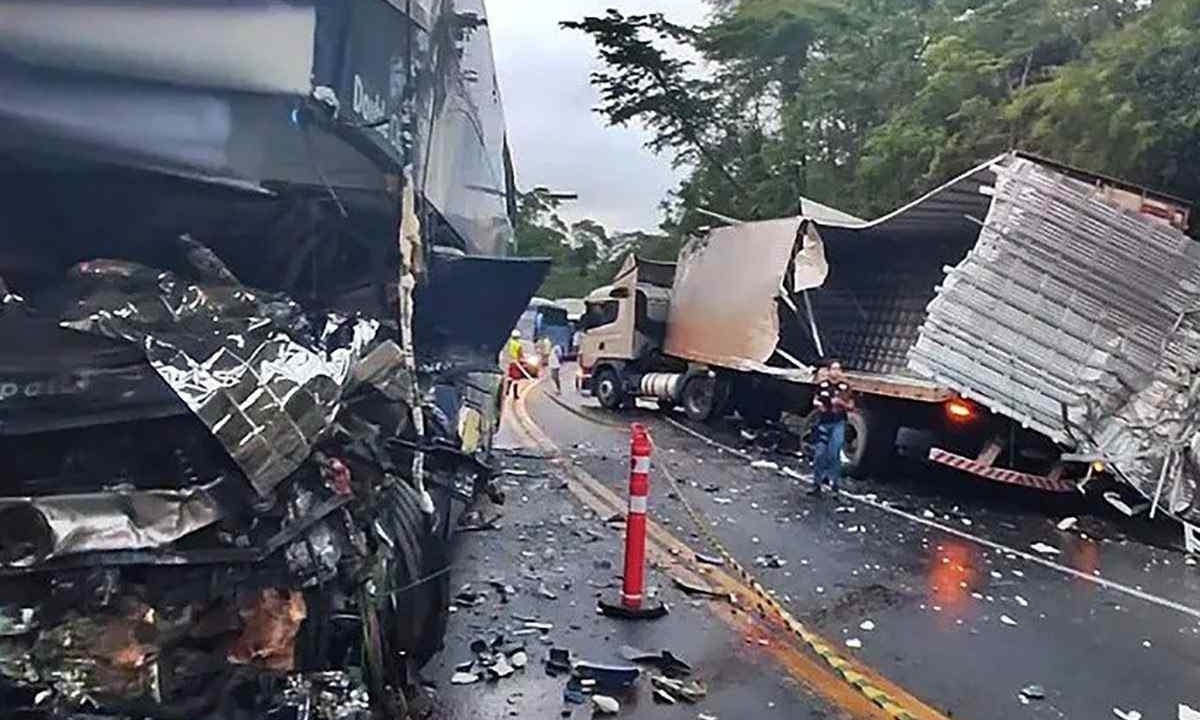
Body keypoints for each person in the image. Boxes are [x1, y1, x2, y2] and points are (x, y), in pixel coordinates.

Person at [809, 360, 854, 496]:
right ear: (828, 371)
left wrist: (840, 403)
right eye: (833, 369)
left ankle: (834, 484)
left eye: (838, 369)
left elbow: (852, 405)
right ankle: (816, 484)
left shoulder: (845, 387)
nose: (836, 372)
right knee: (819, 454)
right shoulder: (822, 386)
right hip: (822, 422)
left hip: (838, 423)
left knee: (834, 454)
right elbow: (815, 400)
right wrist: (819, 405)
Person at [505, 330, 525, 400]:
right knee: (516, 379)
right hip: (516, 362)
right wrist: (523, 360)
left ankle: (507, 391)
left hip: (510, 361)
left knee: (510, 377)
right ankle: (515, 394)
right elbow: (520, 354)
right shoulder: (518, 345)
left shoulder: (509, 343)